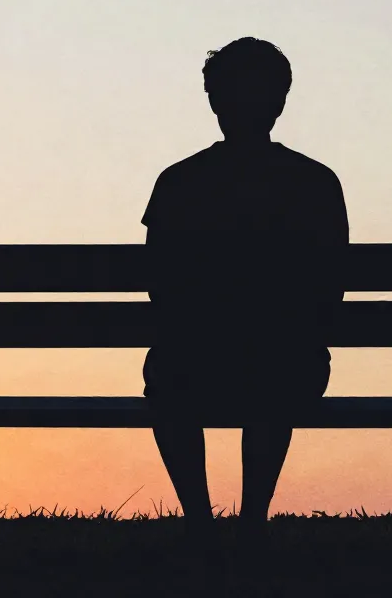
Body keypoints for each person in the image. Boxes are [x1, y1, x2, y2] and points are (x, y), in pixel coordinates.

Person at [142, 37, 349, 538]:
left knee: (168, 380)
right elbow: (332, 286)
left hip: (191, 364)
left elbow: (157, 282)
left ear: (214, 101)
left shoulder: (179, 182)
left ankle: (199, 521)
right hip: (290, 365)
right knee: (277, 367)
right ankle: (253, 517)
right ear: (280, 101)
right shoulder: (316, 182)